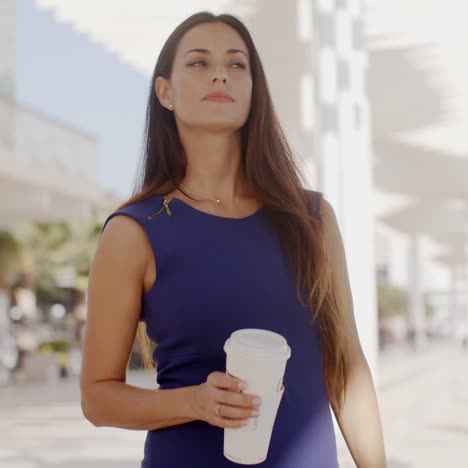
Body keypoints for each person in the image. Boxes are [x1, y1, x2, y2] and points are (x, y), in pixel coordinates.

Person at [80, 11, 387, 468]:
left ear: (253, 90)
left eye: (237, 64)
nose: (220, 72)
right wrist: (193, 402)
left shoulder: (312, 219)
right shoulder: (134, 231)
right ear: (165, 91)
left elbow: (345, 367)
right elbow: (98, 398)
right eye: (198, 63)